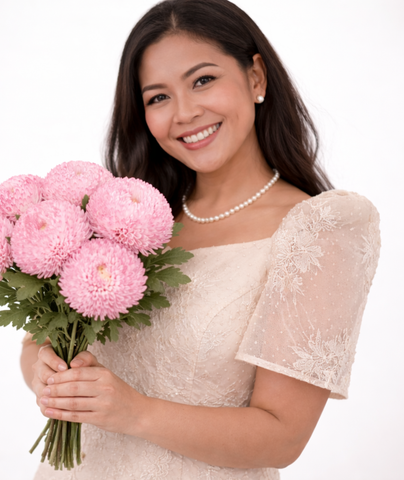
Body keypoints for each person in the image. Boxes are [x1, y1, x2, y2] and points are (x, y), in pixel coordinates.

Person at [20, 0, 381, 478]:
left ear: (256, 77)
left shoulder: (323, 227)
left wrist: (134, 412)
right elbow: (37, 343)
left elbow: (282, 436)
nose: (185, 112)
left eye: (203, 80)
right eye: (158, 97)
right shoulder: (126, 216)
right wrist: (44, 372)